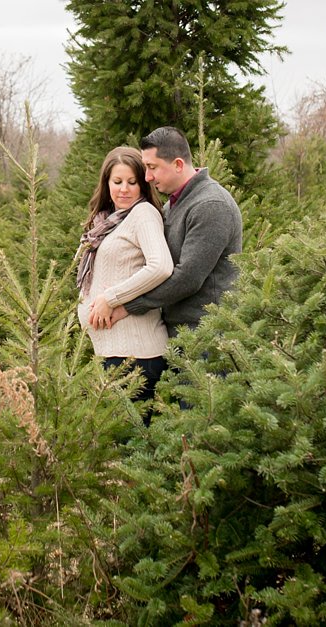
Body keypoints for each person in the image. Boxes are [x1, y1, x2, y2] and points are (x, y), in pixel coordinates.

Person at [94, 126, 242, 338]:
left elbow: (187, 278)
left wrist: (126, 305)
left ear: (178, 164)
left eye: (152, 167)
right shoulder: (172, 206)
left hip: (210, 338)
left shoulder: (211, 205)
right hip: (182, 334)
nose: (147, 177)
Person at [76, 146, 174, 423]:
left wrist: (111, 298)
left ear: (143, 183)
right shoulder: (106, 222)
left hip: (136, 357)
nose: (124, 190)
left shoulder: (142, 214)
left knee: (133, 447)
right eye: (117, 182)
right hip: (114, 354)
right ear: (106, 184)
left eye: (132, 182)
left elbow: (161, 266)